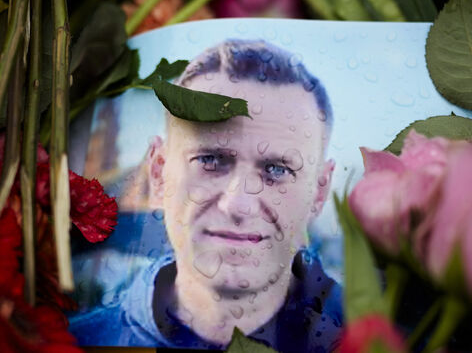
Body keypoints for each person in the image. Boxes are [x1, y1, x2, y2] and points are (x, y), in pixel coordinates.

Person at [70, 40, 342, 352]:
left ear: (319, 191)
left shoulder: (380, 342)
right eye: (210, 160)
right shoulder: (73, 344)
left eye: (277, 170)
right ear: (158, 173)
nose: (238, 204)